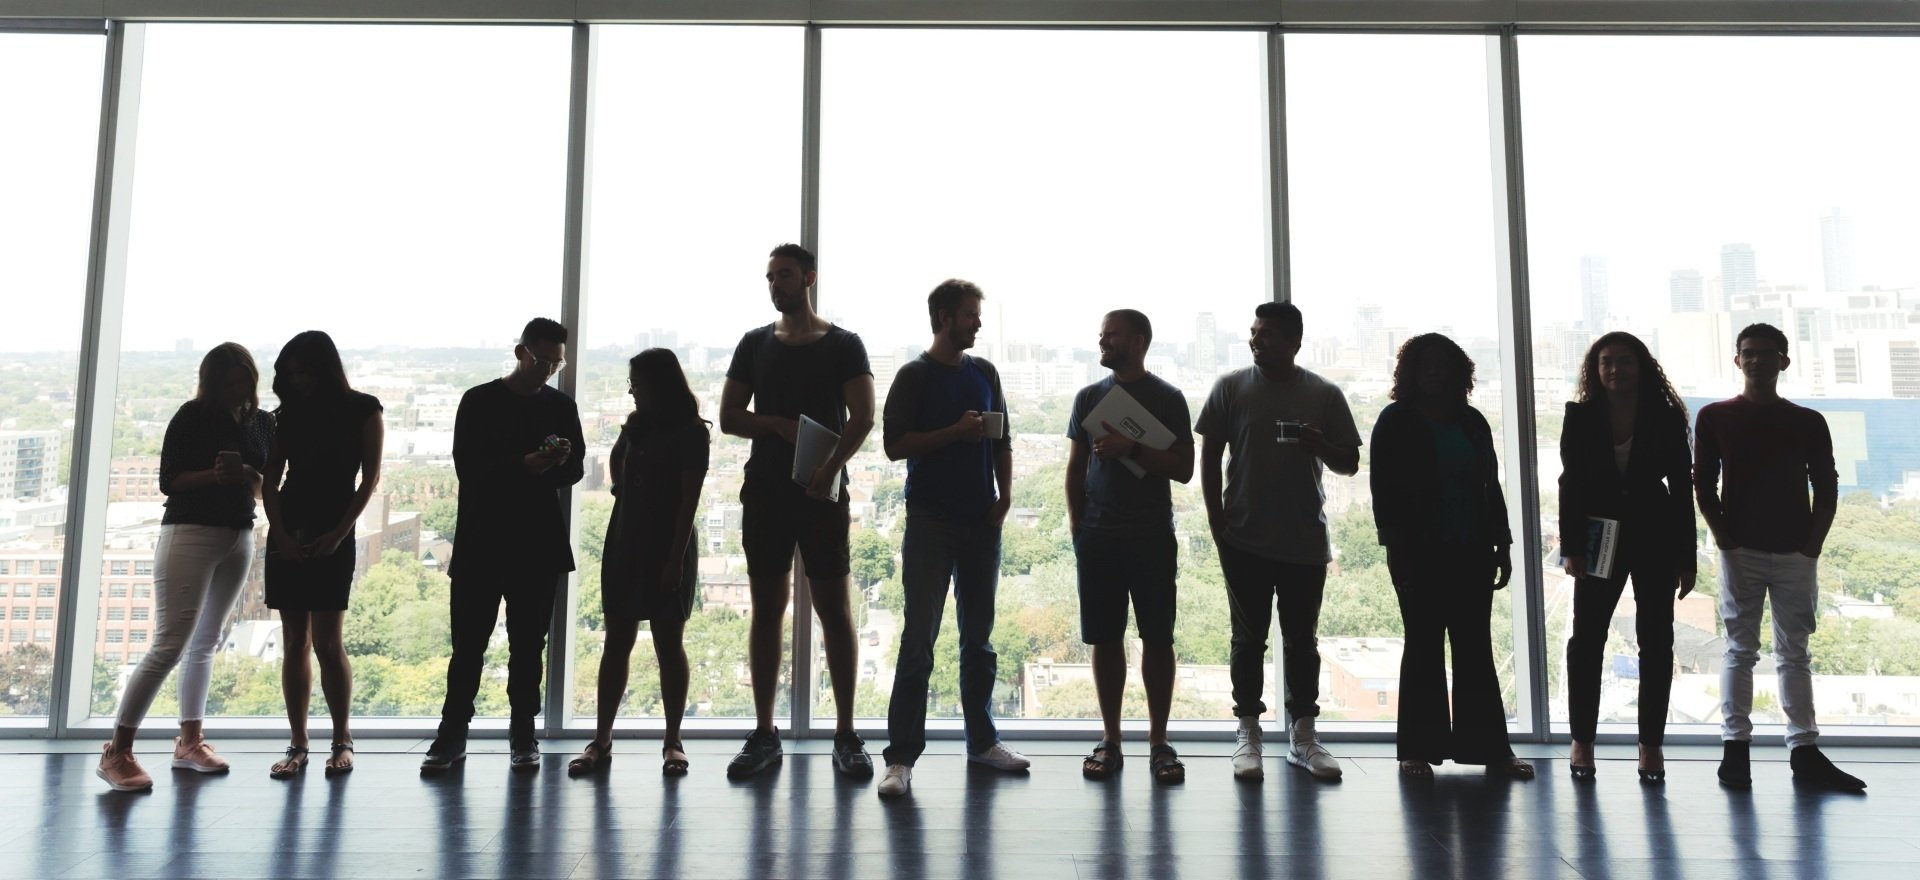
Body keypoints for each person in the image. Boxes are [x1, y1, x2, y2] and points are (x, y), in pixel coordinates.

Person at [719, 243, 875, 780]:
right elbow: (730, 417)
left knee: (836, 611)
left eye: (783, 275)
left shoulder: (844, 344)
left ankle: (847, 733)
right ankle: (765, 733)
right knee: (767, 609)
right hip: (766, 489)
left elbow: (864, 416)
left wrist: (829, 468)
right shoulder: (754, 344)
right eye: (769, 278)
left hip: (822, 492)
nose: (774, 285)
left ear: (809, 278)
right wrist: (781, 427)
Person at [877, 280, 1030, 799]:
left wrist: (1005, 496)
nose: (978, 323)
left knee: (979, 641)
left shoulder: (985, 372)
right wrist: (953, 433)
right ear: (943, 317)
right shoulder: (913, 376)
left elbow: (1002, 438)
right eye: (970, 314)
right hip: (930, 522)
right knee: (918, 640)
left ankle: (982, 743)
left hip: (980, 522)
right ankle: (900, 758)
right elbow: (894, 445)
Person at [1696, 323, 1865, 792]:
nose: (1757, 360)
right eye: (1748, 353)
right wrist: (1725, 540)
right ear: (1737, 360)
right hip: (1740, 550)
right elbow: (1702, 484)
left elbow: (1827, 484)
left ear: (1784, 362)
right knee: (1740, 650)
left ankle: (1804, 752)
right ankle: (1735, 751)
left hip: (1796, 550)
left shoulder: (1808, 421)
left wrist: (1813, 544)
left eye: (1767, 354)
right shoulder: (1713, 416)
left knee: (1795, 653)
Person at [1196, 302, 1360, 781]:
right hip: (1243, 537)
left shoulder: (1323, 394)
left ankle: (1303, 737)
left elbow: (1349, 462)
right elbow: (1207, 457)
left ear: (1294, 341)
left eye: (1266, 333)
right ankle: (1248, 733)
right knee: (1247, 639)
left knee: (1301, 641)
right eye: (1253, 331)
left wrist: (1320, 446)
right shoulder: (1230, 387)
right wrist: (1216, 521)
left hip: (1305, 540)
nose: (1256, 339)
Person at [97, 343, 273, 792]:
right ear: (213, 381)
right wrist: (215, 475)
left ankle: (190, 742)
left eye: (245, 380)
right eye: (230, 381)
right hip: (190, 532)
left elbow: (263, 488)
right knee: (170, 644)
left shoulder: (261, 422)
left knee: (207, 642)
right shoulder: (191, 416)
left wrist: (249, 477)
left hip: (240, 535)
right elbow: (169, 481)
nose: (239, 388)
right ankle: (117, 751)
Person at [422, 318, 586, 774]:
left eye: (557, 362)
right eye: (543, 360)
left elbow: (575, 469)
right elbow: (469, 468)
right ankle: (452, 734)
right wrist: (528, 466)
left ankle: (521, 734)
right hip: (484, 539)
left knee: (529, 645)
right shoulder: (478, 401)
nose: (550, 369)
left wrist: (555, 462)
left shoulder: (560, 406)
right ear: (520, 352)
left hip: (534, 541)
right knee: (469, 644)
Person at [1370, 333, 1532, 780]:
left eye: (1443, 364)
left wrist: (1503, 543)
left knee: (1475, 648)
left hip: (1472, 550)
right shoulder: (1395, 421)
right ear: (1411, 372)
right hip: (1418, 554)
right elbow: (1383, 493)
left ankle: (1492, 751)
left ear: (1459, 371)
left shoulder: (1472, 422)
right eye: (1426, 364)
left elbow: (1490, 485)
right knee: (1423, 646)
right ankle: (1416, 751)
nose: (1435, 371)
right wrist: (1394, 551)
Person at [1558, 331, 1693, 783]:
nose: (1615, 369)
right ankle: (1582, 743)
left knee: (1656, 643)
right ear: (1595, 371)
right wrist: (1572, 546)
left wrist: (1686, 557)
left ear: (1642, 366)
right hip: (1597, 536)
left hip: (1654, 534)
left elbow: (1680, 489)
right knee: (1586, 642)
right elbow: (1570, 482)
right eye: (1606, 362)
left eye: (1625, 361)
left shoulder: (1667, 416)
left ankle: (1650, 747)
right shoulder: (1579, 416)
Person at [1066, 309, 1194, 785]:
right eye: (1101, 335)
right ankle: (1112, 738)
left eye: (1111, 335)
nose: (1103, 342)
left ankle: (1158, 740)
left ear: (1138, 341)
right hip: (1098, 536)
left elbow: (1184, 467)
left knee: (1158, 638)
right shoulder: (1087, 398)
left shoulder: (1169, 398)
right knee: (1104, 637)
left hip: (1151, 535)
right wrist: (1079, 528)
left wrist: (1132, 449)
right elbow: (1076, 469)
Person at [570, 349, 709, 778]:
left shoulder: (691, 432)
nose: (631, 389)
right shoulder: (636, 425)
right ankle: (602, 739)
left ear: (658, 383)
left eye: (636, 382)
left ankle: (673, 741)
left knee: (669, 644)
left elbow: (689, 502)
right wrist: (623, 493)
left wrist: (674, 562)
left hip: (668, 545)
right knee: (617, 641)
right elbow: (616, 464)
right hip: (628, 540)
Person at [262, 331, 384, 779]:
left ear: (324, 369)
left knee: (328, 642)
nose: (297, 381)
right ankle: (298, 742)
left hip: (335, 527)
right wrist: (280, 535)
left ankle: (342, 739)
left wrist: (338, 534)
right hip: (289, 528)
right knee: (295, 641)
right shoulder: (285, 416)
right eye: (290, 375)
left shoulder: (364, 408)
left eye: (304, 372)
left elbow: (368, 480)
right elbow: (270, 482)